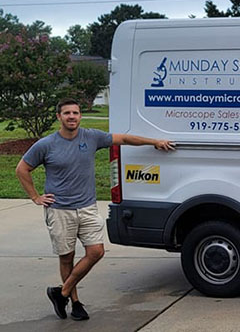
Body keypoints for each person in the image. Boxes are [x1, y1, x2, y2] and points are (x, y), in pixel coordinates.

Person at [15, 99, 175, 321]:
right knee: (67, 258)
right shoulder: (46, 144)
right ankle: (75, 302)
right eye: (67, 113)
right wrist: (35, 197)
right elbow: (22, 168)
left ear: (80, 116)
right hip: (60, 210)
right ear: (58, 117)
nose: (72, 116)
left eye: (76, 113)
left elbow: (125, 138)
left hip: (87, 207)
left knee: (96, 252)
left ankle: (60, 292)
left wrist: (154, 142)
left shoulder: (91, 137)